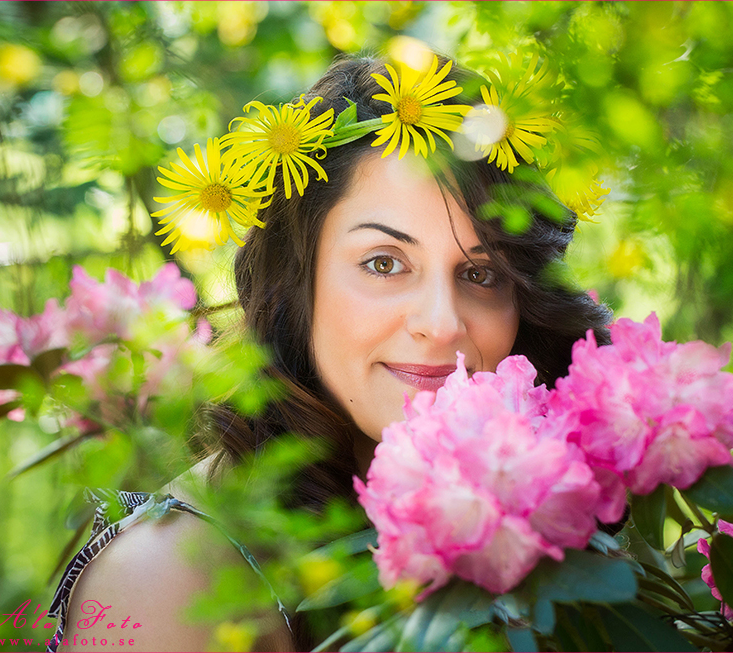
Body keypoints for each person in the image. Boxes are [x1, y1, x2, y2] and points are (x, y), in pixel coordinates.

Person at [48, 53, 612, 652]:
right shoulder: (169, 576)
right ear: (296, 281)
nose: (443, 325)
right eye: (384, 263)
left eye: (481, 274)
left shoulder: (538, 529)